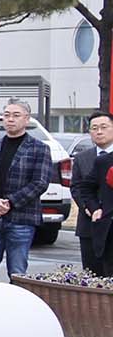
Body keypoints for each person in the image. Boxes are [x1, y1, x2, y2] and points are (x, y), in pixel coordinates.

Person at [0, 100, 52, 283]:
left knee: (17, 272)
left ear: (27, 119)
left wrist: (10, 202)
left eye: (16, 115)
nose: (10, 119)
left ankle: (17, 302)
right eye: (6, 115)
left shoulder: (39, 148)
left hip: (21, 218)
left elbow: (40, 182)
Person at [71, 110, 113, 276]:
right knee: (92, 275)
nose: (99, 131)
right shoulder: (82, 158)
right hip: (90, 223)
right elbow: (78, 187)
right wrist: (89, 208)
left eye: (104, 127)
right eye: (94, 128)